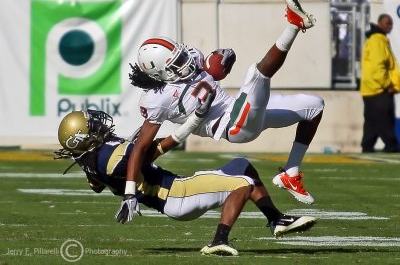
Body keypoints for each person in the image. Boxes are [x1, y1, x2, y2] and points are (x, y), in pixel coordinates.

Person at [127, 0, 324, 206]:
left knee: (315, 106)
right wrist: (129, 192)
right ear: (159, 73)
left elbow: (216, 67)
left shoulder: (190, 57)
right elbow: (141, 147)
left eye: (181, 55)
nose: (186, 62)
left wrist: (224, 58)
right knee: (256, 75)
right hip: (232, 126)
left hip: (237, 107)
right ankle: (293, 25)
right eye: (177, 62)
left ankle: (291, 173)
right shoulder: (157, 99)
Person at [55, 109, 317, 256]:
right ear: (83, 138)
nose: (99, 125)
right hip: (176, 195)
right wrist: (192, 122)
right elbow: (153, 150)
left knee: (241, 164)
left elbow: (97, 185)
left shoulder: (90, 162)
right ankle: (219, 241)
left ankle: (276, 219)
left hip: (174, 191)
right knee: (243, 183)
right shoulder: (108, 159)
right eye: (92, 127)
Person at [360, 14, 400, 153]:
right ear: (380, 23)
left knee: (372, 120)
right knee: (385, 119)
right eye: (387, 23)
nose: (390, 26)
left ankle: (367, 145)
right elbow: (378, 67)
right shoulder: (378, 40)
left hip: (371, 88)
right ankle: (391, 145)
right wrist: (388, 84)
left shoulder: (378, 39)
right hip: (378, 89)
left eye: (391, 24)